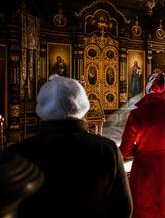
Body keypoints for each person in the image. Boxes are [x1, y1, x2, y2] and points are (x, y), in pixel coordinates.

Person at [5, 75, 133, 218]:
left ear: (41, 106)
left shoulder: (16, 154)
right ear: (82, 105)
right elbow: (123, 209)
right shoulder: (107, 150)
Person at [120, 73, 165, 218]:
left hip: (144, 169)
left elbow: (124, 151)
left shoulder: (136, 115)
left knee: (144, 211)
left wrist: (141, 150)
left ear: (147, 89)